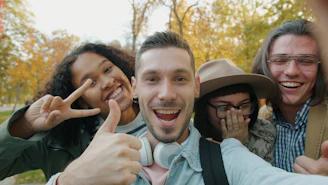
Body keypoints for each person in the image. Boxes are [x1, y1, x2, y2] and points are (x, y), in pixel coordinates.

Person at [47, 30, 328, 185]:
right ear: (135, 87)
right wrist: (70, 180)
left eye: (179, 79)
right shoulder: (102, 166)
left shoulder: (228, 157)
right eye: (152, 79)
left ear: (195, 87)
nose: (167, 94)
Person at [0, 43, 145, 181]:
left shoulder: (163, 113)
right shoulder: (61, 143)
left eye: (107, 69)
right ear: (82, 102)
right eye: (91, 83)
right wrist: (25, 124)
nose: (107, 82)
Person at [252, 19, 328, 174]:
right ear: (266, 66)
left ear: (321, 69)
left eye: (306, 61)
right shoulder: (262, 117)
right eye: (280, 60)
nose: (292, 71)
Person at [194, 59, 276, 164]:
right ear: (204, 109)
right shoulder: (189, 140)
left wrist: (238, 146)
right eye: (224, 108)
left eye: (244, 105)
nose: (236, 114)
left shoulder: (264, 132)